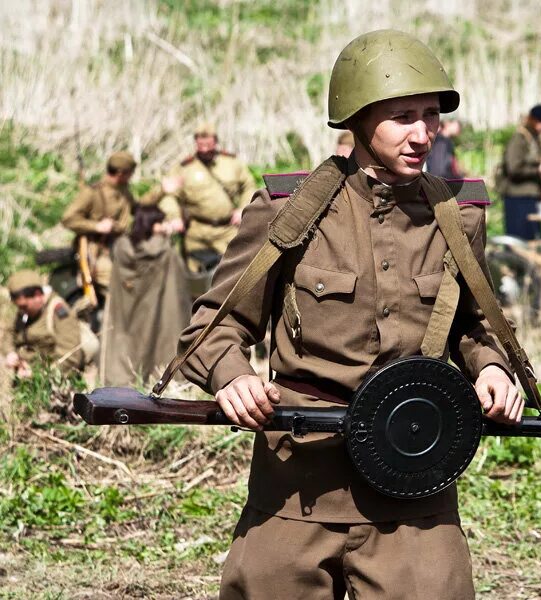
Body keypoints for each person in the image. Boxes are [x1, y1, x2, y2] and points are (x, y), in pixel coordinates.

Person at [175, 30, 521, 599]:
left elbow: (477, 325)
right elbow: (214, 327)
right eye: (403, 116)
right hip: (297, 483)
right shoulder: (289, 212)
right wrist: (231, 376)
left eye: (431, 115)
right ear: (357, 120)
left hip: (414, 485)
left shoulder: (457, 216)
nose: (422, 134)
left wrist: (490, 368)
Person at [100, 206, 191, 386]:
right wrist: (164, 238)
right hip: (152, 307)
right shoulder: (163, 249)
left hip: (127, 308)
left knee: (128, 343)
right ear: (151, 224)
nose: (164, 226)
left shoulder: (122, 245)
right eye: (160, 222)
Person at [148, 123, 257, 272]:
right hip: (197, 233)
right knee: (197, 279)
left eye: (208, 144)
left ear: (216, 142)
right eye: (200, 145)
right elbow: (169, 196)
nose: (205, 149)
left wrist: (243, 208)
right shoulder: (184, 168)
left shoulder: (232, 163)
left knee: (232, 274)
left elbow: (249, 186)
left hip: (227, 231)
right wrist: (174, 216)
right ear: (195, 143)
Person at [61, 151, 138, 293]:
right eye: (130, 173)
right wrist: (96, 226)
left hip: (118, 245)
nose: (131, 177)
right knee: (119, 285)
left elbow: (137, 209)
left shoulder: (124, 191)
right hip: (96, 249)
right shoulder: (92, 192)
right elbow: (68, 219)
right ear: (120, 173)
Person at [2, 270, 92, 378]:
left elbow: (70, 356)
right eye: (19, 307)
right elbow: (10, 333)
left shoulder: (59, 312)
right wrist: (10, 353)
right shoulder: (25, 311)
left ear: (38, 295)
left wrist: (38, 375)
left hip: (50, 378)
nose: (21, 311)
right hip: (26, 373)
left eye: (24, 306)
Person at [498, 104, 541, 240]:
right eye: (539, 121)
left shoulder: (533, 139)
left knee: (532, 240)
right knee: (518, 242)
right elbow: (513, 168)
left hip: (531, 197)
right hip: (517, 198)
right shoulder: (519, 138)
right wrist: (539, 169)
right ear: (531, 119)